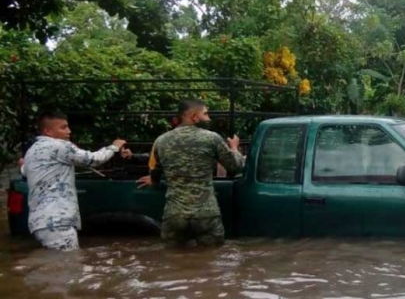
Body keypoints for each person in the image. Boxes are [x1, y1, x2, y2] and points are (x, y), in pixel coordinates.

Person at [140, 99, 245, 247]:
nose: (208, 118)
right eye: (205, 114)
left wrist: (152, 180)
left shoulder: (161, 141)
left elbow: (155, 173)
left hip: (175, 215)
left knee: (172, 259)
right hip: (206, 214)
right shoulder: (211, 138)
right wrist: (234, 148)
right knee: (212, 258)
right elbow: (236, 166)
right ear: (194, 117)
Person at [21, 110, 126, 250]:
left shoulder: (32, 150)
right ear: (48, 131)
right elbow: (93, 159)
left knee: (57, 266)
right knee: (69, 266)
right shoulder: (60, 146)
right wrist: (115, 147)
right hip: (58, 221)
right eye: (63, 127)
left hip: (40, 223)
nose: (69, 131)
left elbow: (25, 171)